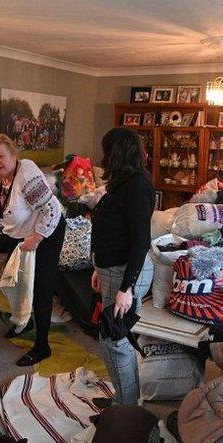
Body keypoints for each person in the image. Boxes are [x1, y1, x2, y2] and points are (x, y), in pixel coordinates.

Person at [0, 134, 65, 366]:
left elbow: (51, 209)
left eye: (2, 156)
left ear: (14, 156)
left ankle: (42, 346)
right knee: (17, 280)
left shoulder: (27, 174)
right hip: (20, 231)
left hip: (48, 230)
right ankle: (26, 322)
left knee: (41, 285)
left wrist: (38, 236)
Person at [89, 128, 154, 405]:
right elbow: (113, 230)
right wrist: (97, 268)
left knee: (114, 341)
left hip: (125, 272)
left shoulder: (138, 185)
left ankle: (126, 408)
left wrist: (126, 288)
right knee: (114, 338)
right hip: (111, 270)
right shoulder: (121, 182)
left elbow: (141, 241)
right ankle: (123, 398)